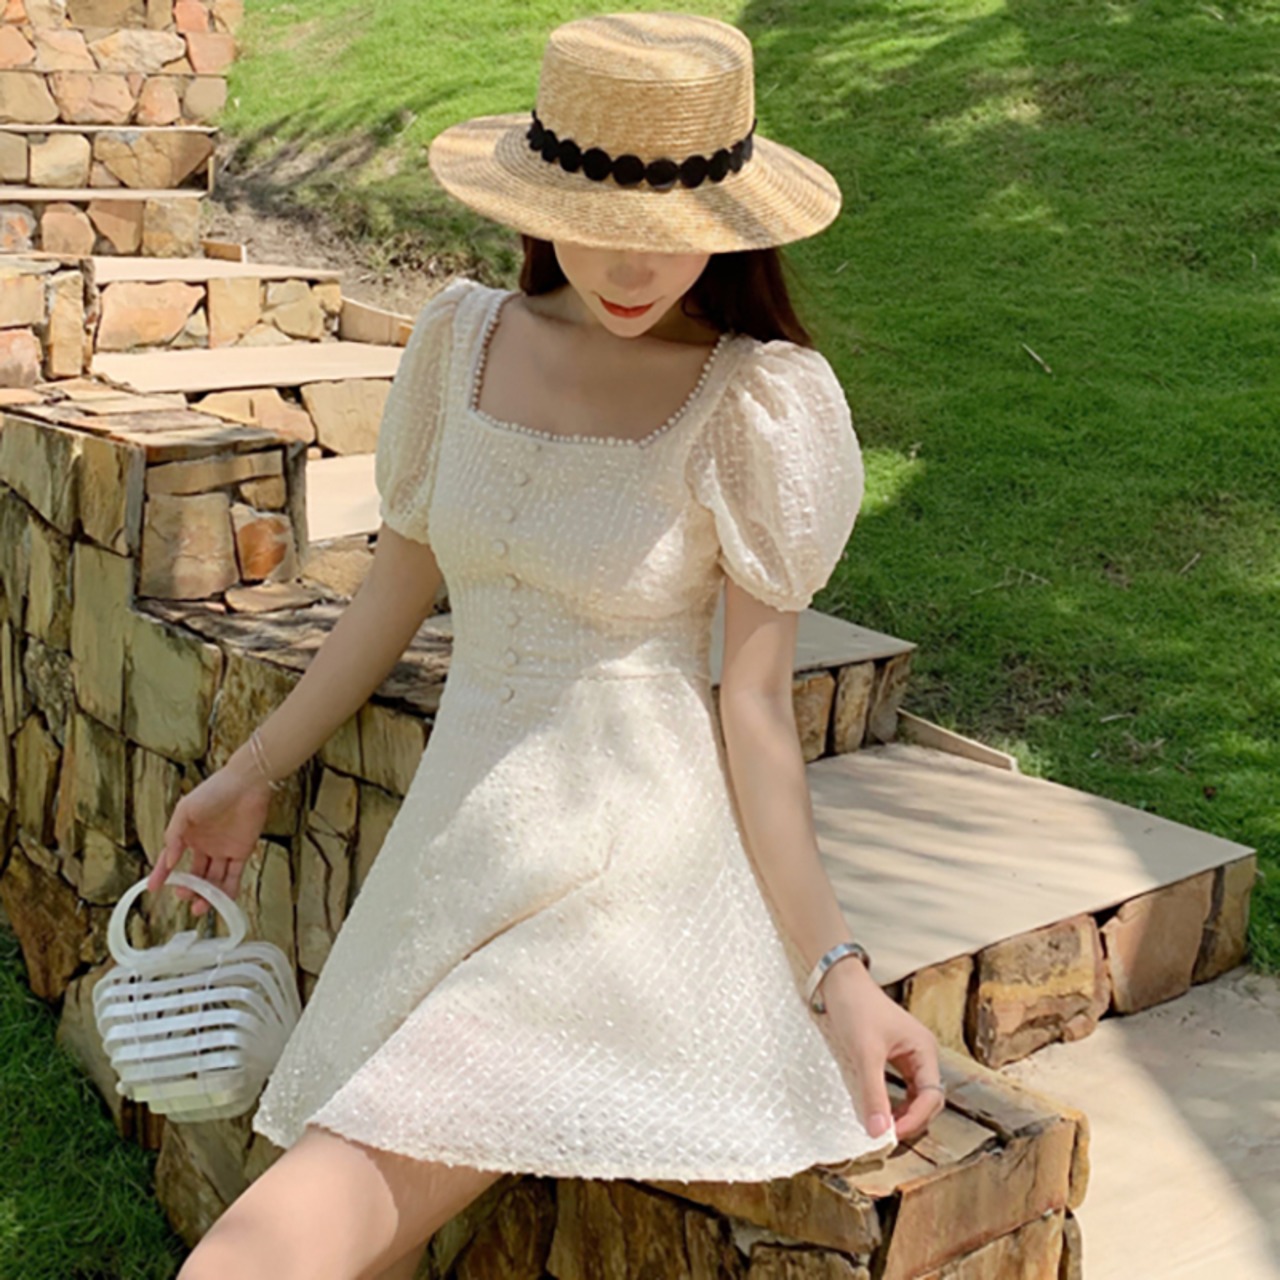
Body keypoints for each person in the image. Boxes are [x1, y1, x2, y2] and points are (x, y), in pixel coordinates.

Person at [155, 13, 944, 1279]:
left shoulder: (753, 399)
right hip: (459, 849)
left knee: (256, 1252)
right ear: (536, 202)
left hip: (626, 872)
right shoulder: (460, 342)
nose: (633, 265)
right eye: (597, 222)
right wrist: (252, 770)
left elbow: (752, 710)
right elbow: (394, 589)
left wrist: (836, 967)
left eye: (670, 233)